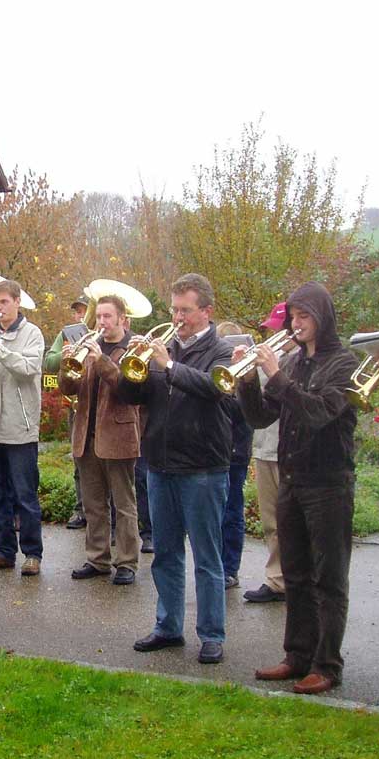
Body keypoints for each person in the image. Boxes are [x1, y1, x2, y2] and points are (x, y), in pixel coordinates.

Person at [236, 283, 359, 695]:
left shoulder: (344, 363)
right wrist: (249, 379)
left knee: (329, 579)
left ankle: (327, 665)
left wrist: (275, 374)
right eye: (293, 317)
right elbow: (258, 418)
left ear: (322, 318)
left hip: (328, 484)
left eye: (304, 317)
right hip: (292, 480)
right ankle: (296, 656)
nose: (296, 324)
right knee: (296, 575)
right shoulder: (295, 363)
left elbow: (319, 413)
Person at [116, 273, 233, 664]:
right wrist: (129, 365)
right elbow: (131, 396)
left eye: (186, 310)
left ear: (206, 311)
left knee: (206, 556)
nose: (178, 318)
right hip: (160, 463)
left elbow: (214, 390)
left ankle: (212, 634)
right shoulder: (162, 348)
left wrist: (168, 367)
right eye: (175, 310)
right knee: (165, 553)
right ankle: (168, 626)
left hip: (203, 467)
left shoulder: (223, 350)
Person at [58, 293, 141, 585]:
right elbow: (67, 387)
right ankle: (98, 558)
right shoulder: (87, 347)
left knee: (124, 504)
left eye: (108, 316)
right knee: (93, 504)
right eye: (99, 316)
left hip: (118, 435)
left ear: (122, 319)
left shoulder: (133, 347)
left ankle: (127, 562)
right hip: (87, 435)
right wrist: (68, 364)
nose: (102, 322)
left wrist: (102, 360)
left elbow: (128, 390)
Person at [0, 279, 45, 576]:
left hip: (20, 426)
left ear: (17, 301)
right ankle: (3, 550)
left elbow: (27, 369)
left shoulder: (32, 334)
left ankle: (32, 553)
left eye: (4, 302)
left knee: (24, 494)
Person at [243, 303, 290, 603]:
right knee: (271, 520)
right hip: (263, 445)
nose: (272, 334)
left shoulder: (297, 361)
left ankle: (296, 579)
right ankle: (276, 579)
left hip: (287, 450)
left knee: (291, 520)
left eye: (277, 329)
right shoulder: (270, 356)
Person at [44, 294, 91, 530]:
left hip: (101, 405)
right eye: (77, 311)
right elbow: (49, 362)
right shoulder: (68, 333)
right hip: (77, 404)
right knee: (79, 459)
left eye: (84, 311)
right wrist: (66, 353)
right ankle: (81, 509)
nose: (80, 316)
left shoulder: (104, 333)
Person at [216, 321, 254, 589]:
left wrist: (236, 382)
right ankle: (216, 566)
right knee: (214, 512)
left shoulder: (244, 374)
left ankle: (230, 568)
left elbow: (246, 412)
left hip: (236, 449)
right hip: (214, 449)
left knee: (231, 511)